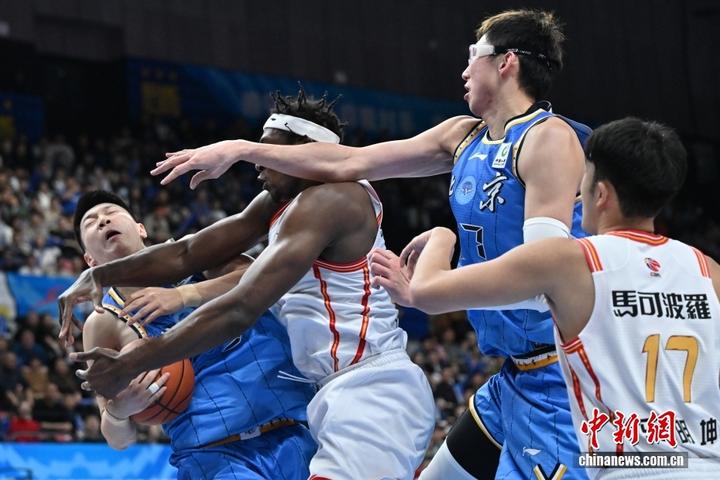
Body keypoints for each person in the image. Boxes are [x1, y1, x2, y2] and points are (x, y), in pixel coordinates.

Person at [150, 9, 591, 479]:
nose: (464, 69)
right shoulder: (462, 136)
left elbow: (543, 280)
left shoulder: (548, 138)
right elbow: (349, 162)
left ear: (506, 62)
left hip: (559, 378)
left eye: (473, 55)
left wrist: (430, 281)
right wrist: (239, 149)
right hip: (513, 377)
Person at [59, 90, 435, 480]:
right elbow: (188, 252)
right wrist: (101, 276)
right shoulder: (279, 202)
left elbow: (241, 304)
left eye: (268, 151)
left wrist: (143, 350)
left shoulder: (329, 201)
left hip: (365, 387)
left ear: (304, 152)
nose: (259, 163)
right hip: (306, 405)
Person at [407, 117, 720, 479]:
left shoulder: (570, 260)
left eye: (582, 179)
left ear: (600, 193)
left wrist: (442, 237)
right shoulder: (708, 271)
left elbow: (426, 291)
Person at [69, 190, 316, 479]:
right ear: (89, 260)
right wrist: (118, 412)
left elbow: (263, 276)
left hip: (296, 430)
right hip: (214, 457)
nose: (102, 220)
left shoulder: (195, 252)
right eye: (91, 222)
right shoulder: (103, 321)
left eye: (111, 212)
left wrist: (186, 294)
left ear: (141, 228)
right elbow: (118, 440)